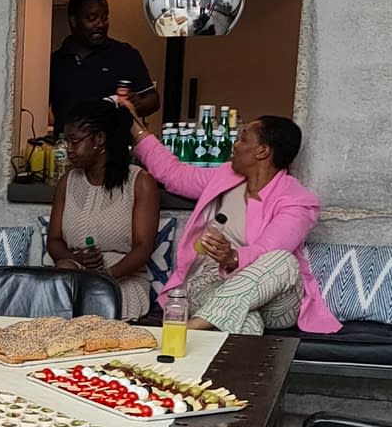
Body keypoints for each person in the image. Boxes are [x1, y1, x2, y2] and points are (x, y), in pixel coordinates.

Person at [117, 94, 340, 336]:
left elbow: (267, 251)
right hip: (212, 282)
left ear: (262, 151)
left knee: (283, 261)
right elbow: (173, 173)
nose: (235, 144)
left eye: (243, 139)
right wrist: (134, 126)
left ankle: (186, 331)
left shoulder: (298, 201)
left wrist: (232, 257)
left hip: (274, 301)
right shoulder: (224, 177)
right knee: (246, 320)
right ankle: (200, 346)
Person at [46, 99, 160, 321]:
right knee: (63, 270)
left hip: (121, 281)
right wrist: (75, 258)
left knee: (83, 302)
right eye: (66, 142)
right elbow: (54, 241)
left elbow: (143, 249)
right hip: (75, 277)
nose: (69, 150)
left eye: (74, 141)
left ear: (99, 139)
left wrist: (104, 277)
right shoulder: (68, 181)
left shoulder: (139, 182)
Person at [49, 0, 159, 132]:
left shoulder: (125, 54)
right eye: (92, 18)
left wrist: (137, 104)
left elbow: (153, 100)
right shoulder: (55, 62)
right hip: (69, 144)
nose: (101, 24)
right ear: (74, 21)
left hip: (116, 144)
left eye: (105, 17)